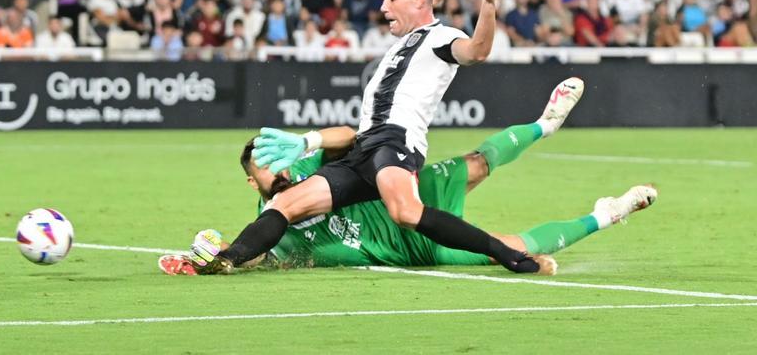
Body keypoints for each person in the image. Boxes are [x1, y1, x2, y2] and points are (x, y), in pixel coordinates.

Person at [194, 0, 555, 275]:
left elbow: (477, 50)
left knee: (405, 212)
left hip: (395, 141)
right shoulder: (404, 41)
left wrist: (488, 3)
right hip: (364, 148)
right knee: (284, 203)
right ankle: (228, 259)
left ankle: (506, 254)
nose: (382, 6)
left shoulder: (442, 37)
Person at [160, 79, 658, 275]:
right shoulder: (274, 222)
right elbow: (258, 254)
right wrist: (213, 256)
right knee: (517, 249)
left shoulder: (306, 168)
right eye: (266, 166)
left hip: (400, 191)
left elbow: (353, 135)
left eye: (278, 155)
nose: (281, 168)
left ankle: (543, 124)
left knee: (477, 163)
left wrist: (307, 140)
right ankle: (606, 213)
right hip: (412, 247)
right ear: (253, 183)